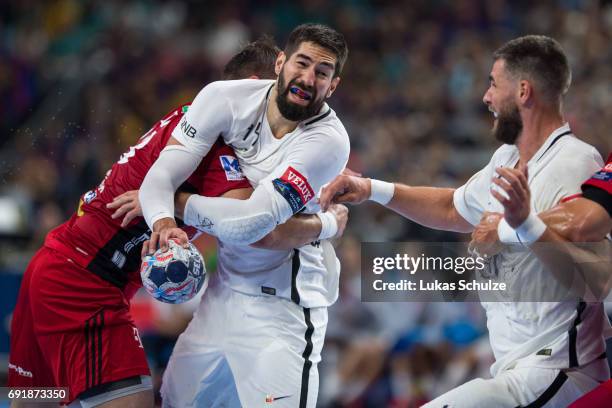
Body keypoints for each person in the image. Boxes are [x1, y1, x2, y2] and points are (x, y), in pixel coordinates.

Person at [8, 37, 348, 407]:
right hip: (85, 286)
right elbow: (261, 231)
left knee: (34, 400)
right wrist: (327, 223)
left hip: (53, 263)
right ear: (252, 83)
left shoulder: (187, 122)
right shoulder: (220, 150)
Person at [319, 35, 608, 407]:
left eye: (492, 83)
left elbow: (596, 279)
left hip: (558, 375)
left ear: (523, 91)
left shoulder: (574, 162)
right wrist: (371, 188)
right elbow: (453, 208)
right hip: (514, 372)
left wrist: (517, 227)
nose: (486, 97)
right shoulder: (506, 158)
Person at [138, 23, 350, 407]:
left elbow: (255, 228)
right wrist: (163, 222)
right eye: (301, 63)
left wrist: (178, 203)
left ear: (332, 86)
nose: (308, 78)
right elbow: (159, 177)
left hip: (283, 312)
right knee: (171, 401)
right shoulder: (225, 99)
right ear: (281, 62)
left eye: (322, 73)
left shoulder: (328, 141)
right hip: (220, 297)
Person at [470, 154, 612, 407]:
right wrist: (376, 189)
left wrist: (505, 229)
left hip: (567, 364)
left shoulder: (577, 157)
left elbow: (585, 221)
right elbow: (450, 208)